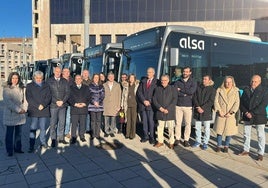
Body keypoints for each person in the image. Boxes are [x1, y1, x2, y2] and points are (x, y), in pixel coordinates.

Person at [239, 75, 268, 161]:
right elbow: (241, 103)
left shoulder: (264, 91)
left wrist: (252, 113)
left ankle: (260, 153)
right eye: (252, 81)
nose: (253, 83)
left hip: (259, 116)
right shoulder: (246, 89)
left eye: (255, 81)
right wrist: (246, 112)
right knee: (246, 134)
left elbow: (263, 104)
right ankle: (246, 150)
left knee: (260, 135)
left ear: (259, 82)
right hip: (247, 115)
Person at [26, 71, 51, 152]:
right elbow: (29, 98)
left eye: (40, 78)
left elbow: (49, 97)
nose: (39, 79)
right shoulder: (29, 86)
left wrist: (43, 105)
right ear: (34, 78)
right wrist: (37, 105)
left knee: (43, 128)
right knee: (33, 128)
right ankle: (31, 145)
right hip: (34, 110)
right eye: (37, 78)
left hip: (44, 110)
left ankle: (43, 143)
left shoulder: (47, 85)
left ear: (42, 78)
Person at [3, 72, 27, 156]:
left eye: (16, 78)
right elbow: (8, 102)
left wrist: (25, 108)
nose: (15, 80)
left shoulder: (22, 88)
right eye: (13, 78)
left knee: (19, 133)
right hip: (11, 114)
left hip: (20, 114)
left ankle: (18, 148)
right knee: (9, 133)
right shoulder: (7, 88)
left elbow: (25, 99)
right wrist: (18, 110)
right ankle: (9, 150)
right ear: (10, 79)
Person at [213, 76, 240, 153]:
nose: (228, 83)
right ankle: (218, 145)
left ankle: (226, 146)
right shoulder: (219, 90)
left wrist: (231, 112)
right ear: (224, 82)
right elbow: (216, 101)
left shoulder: (236, 91)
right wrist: (219, 111)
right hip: (221, 113)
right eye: (226, 82)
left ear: (232, 82)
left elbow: (237, 103)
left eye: (229, 82)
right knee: (219, 131)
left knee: (229, 132)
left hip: (230, 114)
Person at [174, 66, 197, 147]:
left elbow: (191, 92)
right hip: (178, 105)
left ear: (190, 73)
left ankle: (186, 140)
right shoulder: (177, 81)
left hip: (188, 105)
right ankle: (177, 138)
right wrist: (184, 94)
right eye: (184, 71)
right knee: (178, 123)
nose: (185, 73)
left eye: (187, 71)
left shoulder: (193, 82)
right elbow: (175, 92)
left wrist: (181, 90)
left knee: (188, 124)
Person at [47, 67, 70, 147]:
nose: (58, 73)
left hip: (62, 105)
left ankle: (61, 138)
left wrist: (62, 101)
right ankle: (53, 139)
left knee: (62, 122)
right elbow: (48, 93)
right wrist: (56, 101)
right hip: (53, 105)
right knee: (53, 123)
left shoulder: (65, 81)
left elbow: (67, 93)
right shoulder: (49, 81)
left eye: (59, 72)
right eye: (56, 71)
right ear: (54, 72)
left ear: (61, 72)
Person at [153, 75, 177, 149]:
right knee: (160, 127)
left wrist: (168, 109)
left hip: (169, 111)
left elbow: (174, 99)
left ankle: (171, 142)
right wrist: (160, 108)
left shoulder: (172, 89)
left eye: (165, 80)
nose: (163, 82)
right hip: (160, 111)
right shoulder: (157, 89)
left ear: (168, 80)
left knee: (171, 128)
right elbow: (154, 99)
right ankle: (160, 142)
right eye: (162, 80)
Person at [192, 75, 216, 150]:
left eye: (205, 79)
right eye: (203, 79)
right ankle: (198, 141)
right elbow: (194, 98)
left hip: (206, 111)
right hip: (197, 110)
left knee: (206, 128)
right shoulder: (198, 88)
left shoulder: (212, 89)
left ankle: (205, 142)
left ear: (209, 80)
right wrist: (198, 107)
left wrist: (202, 108)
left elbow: (211, 101)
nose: (204, 80)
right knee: (197, 128)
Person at [137, 67, 160, 144]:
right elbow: (139, 92)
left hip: (151, 106)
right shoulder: (143, 81)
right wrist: (144, 101)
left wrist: (149, 101)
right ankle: (145, 136)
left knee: (151, 122)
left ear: (153, 73)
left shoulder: (157, 82)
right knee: (145, 122)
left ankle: (152, 137)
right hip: (143, 105)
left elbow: (157, 94)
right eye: (147, 72)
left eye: (150, 72)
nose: (148, 74)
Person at [68, 75, 90, 144]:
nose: (78, 80)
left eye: (79, 79)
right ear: (74, 80)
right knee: (74, 124)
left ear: (81, 80)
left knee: (83, 123)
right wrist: (74, 104)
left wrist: (85, 103)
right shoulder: (71, 88)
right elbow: (69, 97)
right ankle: (73, 137)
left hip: (83, 108)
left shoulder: (86, 87)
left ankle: (82, 136)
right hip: (75, 108)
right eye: (76, 79)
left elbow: (89, 97)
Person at [103, 72, 122, 137]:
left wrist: (119, 105)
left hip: (114, 104)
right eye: (110, 77)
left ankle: (112, 131)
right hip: (106, 104)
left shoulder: (117, 85)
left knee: (113, 119)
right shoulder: (104, 85)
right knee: (106, 118)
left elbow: (119, 95)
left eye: (112, 77)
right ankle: (106, 131)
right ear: (108, 77)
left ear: (114, 77)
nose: (111, 78)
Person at [121, 74, 139, 139]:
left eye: (132, 78)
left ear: (134, 79)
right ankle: (127, 134)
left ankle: (132, 134)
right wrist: (122, 105)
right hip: (127, 105)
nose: (131, 79)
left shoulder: (137, 86)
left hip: (134, 105)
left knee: (133, 120)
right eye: (130, 78)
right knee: (127, 120)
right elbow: (123, 96)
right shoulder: (126, 86)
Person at [88, 74, 105, 140]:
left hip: (99, 106)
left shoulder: (101, 86)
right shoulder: (90, 86)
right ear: (93, 78)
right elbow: (89, 95)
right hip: (92, 105)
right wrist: (94, 102)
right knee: (93, 120)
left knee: (98, 120)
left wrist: (99, 102)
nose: (96, 79)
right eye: (95, 77)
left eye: (97, 78)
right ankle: (93, 134)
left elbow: (103, 95)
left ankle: (97, 134)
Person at [62, 68, 74, 139]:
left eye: (68, 72)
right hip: (61, 103)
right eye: (65, 72)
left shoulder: (72, 80)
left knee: (68, 118)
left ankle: (66, 132)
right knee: (60, 118)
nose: (67, 73)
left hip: (69, 103)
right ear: (62, 73)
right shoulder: (59, 80)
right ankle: (60, 132)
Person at [81, 69, 91, 134]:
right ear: (82, 74)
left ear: (88, 74)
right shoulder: (80, 81)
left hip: (89, 101)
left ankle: (87, 129)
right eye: (84, 73)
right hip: (81, 100)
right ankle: (81, 128)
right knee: (81, 116)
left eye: (86, 73)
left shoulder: (91, 81)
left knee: (88, 115)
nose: (85, 74)